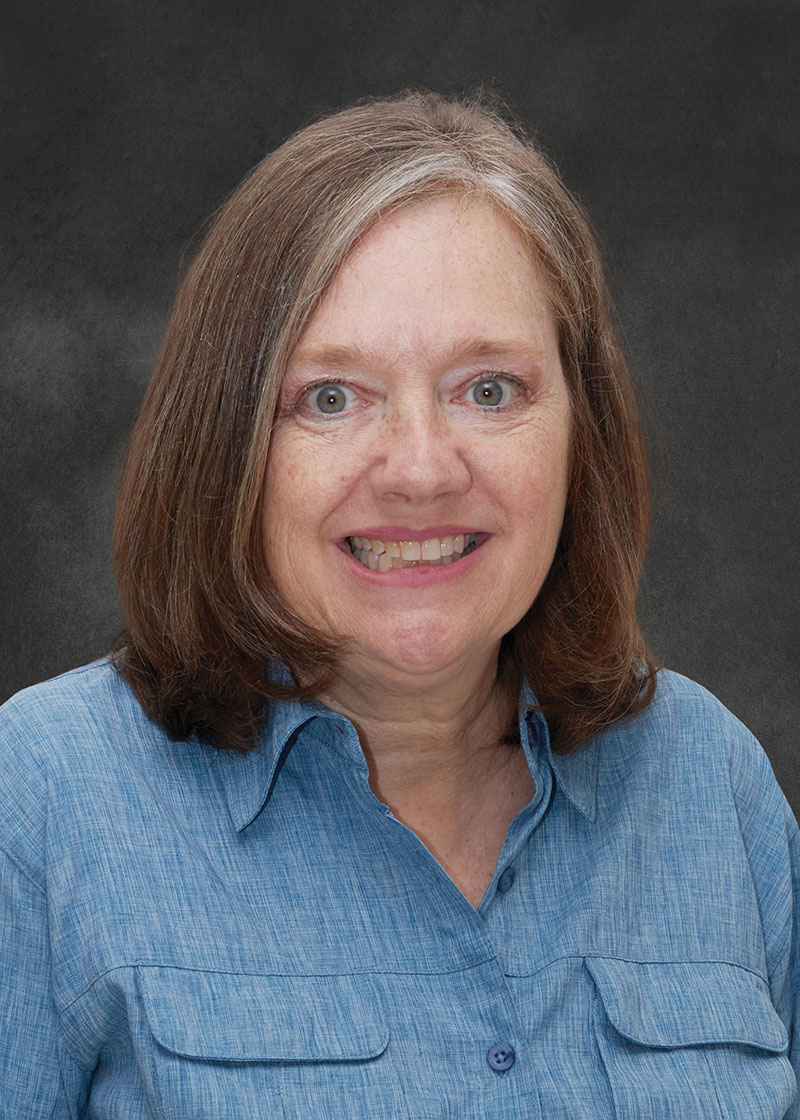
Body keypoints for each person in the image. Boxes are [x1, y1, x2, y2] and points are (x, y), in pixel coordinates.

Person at [1, 90, 798, 1119]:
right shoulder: (42, 800)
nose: (420, 470)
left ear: (577, 431)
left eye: (489, 390)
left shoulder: (707, 782)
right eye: (331, 397)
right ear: (228, 443)